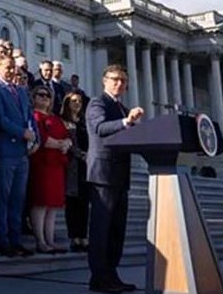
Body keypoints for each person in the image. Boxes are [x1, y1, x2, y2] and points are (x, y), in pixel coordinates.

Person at [87, 64, 144, 293]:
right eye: (115, 79)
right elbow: (100, 127)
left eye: (123, 80)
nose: (119, 84)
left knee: (116, 231)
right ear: (105, 81)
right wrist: (126, 122)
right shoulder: (97, 103)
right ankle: (99, 277)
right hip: (103, 173)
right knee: (102, 229)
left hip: (120, 174)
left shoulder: (122, 108)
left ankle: (111, 274)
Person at [0, 55, 36, 258]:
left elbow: (29, 117)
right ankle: (2, 240)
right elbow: (0, 120)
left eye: (13, 67)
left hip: (22, 153)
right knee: (3, 198)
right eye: (7, 67)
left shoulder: (21, 91)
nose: (11, 71)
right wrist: (22, 133)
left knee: (18, 198)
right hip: (6, 151)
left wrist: (35, 137)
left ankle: (16, 240)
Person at [28, 84, 70, 254]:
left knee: (53, 205)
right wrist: (60, 144)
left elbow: (67, 137)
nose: (45, 98)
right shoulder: (34, 116)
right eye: (41, 95)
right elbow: (42, 139)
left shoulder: (56, 119)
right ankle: (40, 241)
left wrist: (66, 144)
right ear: (34, 98)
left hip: (56, 165)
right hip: (42, 164)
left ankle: (50, 240)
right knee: (41, 202)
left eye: (48, 96)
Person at [63, 91, 90, 253]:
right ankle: (74, 237)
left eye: (79, 101)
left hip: (86, 167)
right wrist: (81, 154)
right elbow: (68, 143)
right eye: (73, 101)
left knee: (84, 203)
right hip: (71, 166)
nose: (77, 103)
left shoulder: (84, 122)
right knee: (72, 203)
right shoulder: (64, 122)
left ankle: (83, 236)